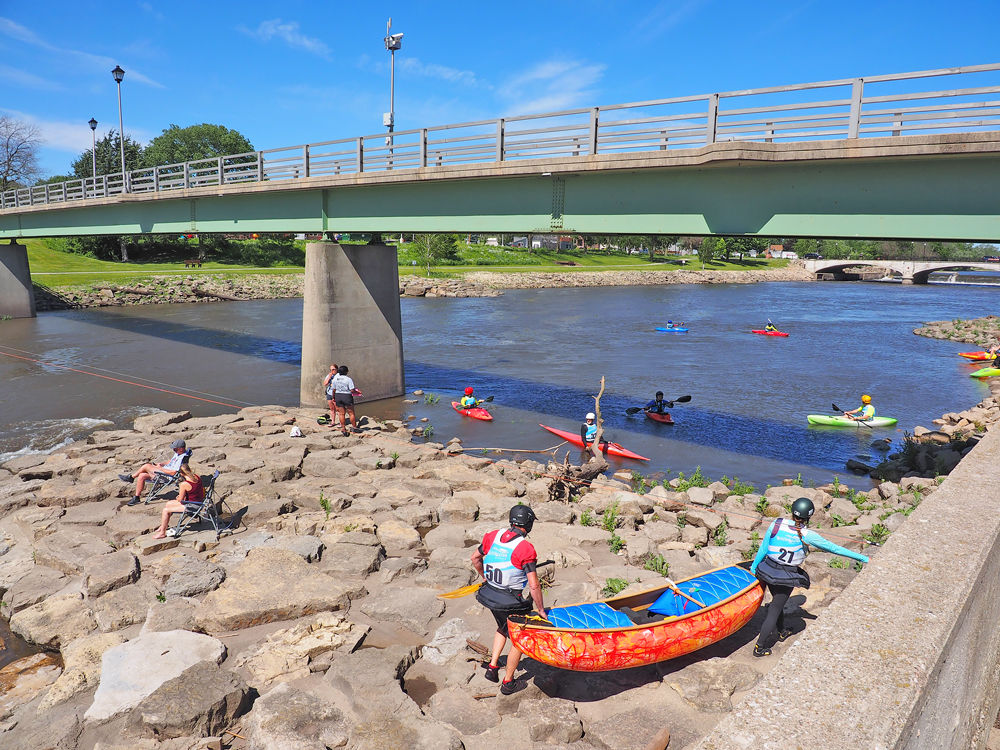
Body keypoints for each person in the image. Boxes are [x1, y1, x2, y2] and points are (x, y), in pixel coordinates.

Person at [750, 497, 869, 657]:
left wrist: (753, 567)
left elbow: (764, 548)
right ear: (809, 517)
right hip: (786, 575)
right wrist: (864, 558)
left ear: (792, 512)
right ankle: (759, 647)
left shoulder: (776, 524)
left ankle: (781, 631)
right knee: (775, 608)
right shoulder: (807, 534)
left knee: (778, 602)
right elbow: (834, 549)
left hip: (767, 569)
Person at [471, 505, 545, 695]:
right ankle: (508, 682)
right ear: (528, 524)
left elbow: (475, 558)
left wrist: (484, 577)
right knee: (519, 639)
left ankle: (493, 666)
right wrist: (541, 609)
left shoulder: (493, 536)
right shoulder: (525, 548)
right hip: (510, 600)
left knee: (503, 627)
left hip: (489, 595)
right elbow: (534, 585)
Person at [119, 439, 189, 507]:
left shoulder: (182, 457)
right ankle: (136, 497)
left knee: (146, 466)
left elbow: (173, 472)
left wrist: (160, 468)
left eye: (175, 449)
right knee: (142, 475)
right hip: (163, 471)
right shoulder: (178, 453)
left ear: (181, 449)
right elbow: (171, 461)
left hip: (167, 476)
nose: (174, 450)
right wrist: (161, 464)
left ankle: (131, 477)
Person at [151, 464, 204, 540]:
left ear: (181, 474)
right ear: (190, 470)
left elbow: (181, 500)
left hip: (192, 505)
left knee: (166, 510)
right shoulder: (197, 477)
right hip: (198, 502)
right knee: (168, 504)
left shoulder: (184, 484)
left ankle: (162, 533)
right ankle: (164, 526)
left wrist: (178, 497)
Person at [331, 365, 359, 436]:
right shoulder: (348, 379)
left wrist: (333, 397)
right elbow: (352, 389)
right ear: (346, 372)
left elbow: (333, 389)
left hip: (338, 395)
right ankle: (354, 427)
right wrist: (358, 392)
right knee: (351, 413)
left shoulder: (335, 379)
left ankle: (343, 428)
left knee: (341, 413)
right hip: (346, 396)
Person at [323, 363, 340, 430]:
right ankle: (333, 422)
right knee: (332, 408)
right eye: (330, 370)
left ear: (336, 369)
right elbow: (325, 383)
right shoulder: (329, 375)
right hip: (329, 393)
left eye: (333, 369)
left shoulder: (338, 376)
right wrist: (329, 376)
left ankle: (341, 422)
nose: (332, 371)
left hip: (336, 393)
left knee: (338, 408)